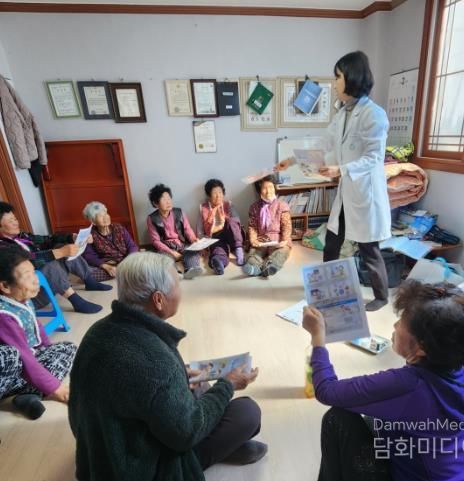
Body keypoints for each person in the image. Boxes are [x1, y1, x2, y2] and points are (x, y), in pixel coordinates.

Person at [68, 252, 267, 481]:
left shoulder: (97, 331)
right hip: (139, 468)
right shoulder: (157, 364)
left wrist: (181, 374)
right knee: (247, 413)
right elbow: (187, 432)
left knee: (200, 386)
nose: (180, 292)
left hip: (98, 452)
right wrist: (228, 385)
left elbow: (130, 383)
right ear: (158, 300)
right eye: (177, 285)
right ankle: (214, 453)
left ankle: (223, 447)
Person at [303, 279, 464, 481]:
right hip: (463, 471)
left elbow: (326, 391)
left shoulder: (407, 384)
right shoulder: (458, 369)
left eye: (402, 321)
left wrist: (318, 338)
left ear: (422, 347)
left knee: (337, 418)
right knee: (377, 416)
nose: (395, 325)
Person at [277, 51, 391, 311]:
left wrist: (341, 169)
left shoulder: (374, 114)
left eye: (338, 77)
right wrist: (291, 160)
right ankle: (325, 284)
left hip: (364, 193)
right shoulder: (343, 113)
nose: (335, 83)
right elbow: (323, 144)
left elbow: (374, 158)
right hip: (347, 192)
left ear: (352, 77)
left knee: (368, 248)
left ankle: (382, 296)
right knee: (332, 240)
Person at [0, 246, 77, 420]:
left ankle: (25, 395)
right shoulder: (3, 315)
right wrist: (59, 390)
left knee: (67, 348)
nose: (36, 280)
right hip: (7, 369)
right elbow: (24, 357)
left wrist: (47, 351)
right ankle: (29, 392)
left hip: (21, 365)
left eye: (34, 272)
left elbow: (37, 328)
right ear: (5, 286)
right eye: (27, 276)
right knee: (11, 354)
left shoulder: (22, 299)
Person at [0, 201, 109, 314]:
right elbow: (27, 262)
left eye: (15, 219)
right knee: (49, 262)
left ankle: (89, 280)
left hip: (46, 285)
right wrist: (58, 253)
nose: (15, 222)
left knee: (61, 246)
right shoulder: (3, 249)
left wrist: (71, 237)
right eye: (10, 221)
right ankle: (76, 301)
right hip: (30, 295)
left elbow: (49, 239)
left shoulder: (23, 237)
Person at [147, 183, 204, 279]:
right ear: (156, 204)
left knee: (192, 251)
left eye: (169, 198)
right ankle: (175, 273)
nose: (168, 202)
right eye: (164, 200)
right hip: (166, 247)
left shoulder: (179, 212)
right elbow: (155, 241)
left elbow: (187, 229)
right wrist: (171, 252)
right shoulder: (151, 218)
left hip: (181, 243)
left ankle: (191, 269)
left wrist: (194, 239)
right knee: (163, 258)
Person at [243, 175, 292, 277]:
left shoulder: (282, 205)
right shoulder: (254, 207)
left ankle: (270, 266)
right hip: (261, 240)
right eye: (264, 188)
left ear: (274, 188)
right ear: (259, 190)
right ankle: (255, 268)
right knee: (252, 254)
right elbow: (252, 226)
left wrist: (284, 240)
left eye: (270, 187)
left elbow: (286, 225)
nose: (268, 191)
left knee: (282, 253)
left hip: (278, 240)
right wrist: (253, 240)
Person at [197, 179, 244, 275]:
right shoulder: (203, 208)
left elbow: (237, 222)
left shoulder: (229, 205)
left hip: (231, 235)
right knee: (218, 250)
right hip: (215, 237)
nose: (218, 196)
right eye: (214, 193)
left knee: (231, 221)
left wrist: (224, 222)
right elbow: (200, 231)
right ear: (209, 195)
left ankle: (238, 250)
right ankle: (219, 263)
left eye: (220, 192)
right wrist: (202, 244)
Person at [82, 201, 139, 281]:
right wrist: (106, 266)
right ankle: (124, 272)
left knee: (142, 261)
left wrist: (128, 260)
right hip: (109, 264)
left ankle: (122, 271)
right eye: (101, 216)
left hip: (127, 260)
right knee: (89, 275)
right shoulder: (89, 235)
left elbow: (132, 246)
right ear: (93, 222)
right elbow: (90, 256)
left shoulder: (119, 228)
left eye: (106, 214)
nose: (105, 217)